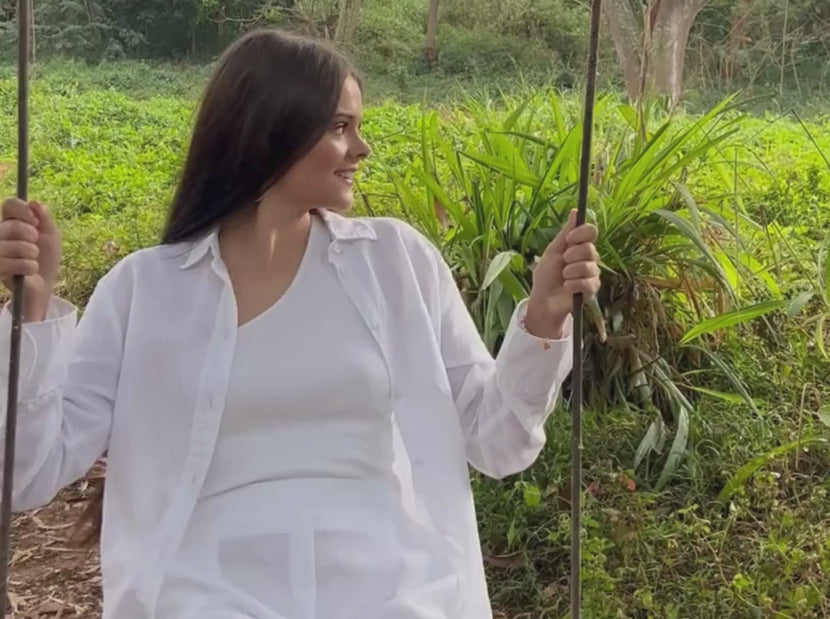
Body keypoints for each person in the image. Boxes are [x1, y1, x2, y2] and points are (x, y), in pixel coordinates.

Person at [0, 29, 600, 619]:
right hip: (208, 593)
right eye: (340, 127)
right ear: (268, 132)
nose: (362, 148)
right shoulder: (143, 291)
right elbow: (29, 471)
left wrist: (544, 316)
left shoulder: (396, 262)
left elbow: (499, 442)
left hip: (392, 590)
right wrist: (32, 311)